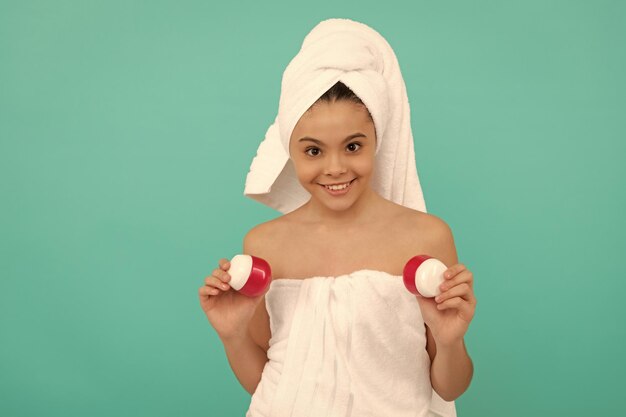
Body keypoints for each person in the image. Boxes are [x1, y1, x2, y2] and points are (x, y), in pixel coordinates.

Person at [199, 19, 476, 417]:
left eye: (352, 146)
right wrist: (233, 336)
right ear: (289, 151)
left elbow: (449, 387)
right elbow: (268, 385)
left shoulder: (426, 237)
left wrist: (450, 342)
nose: (335, 168)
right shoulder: (264, 247)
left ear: (377, 140)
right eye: (313, 151)